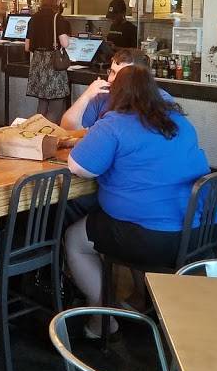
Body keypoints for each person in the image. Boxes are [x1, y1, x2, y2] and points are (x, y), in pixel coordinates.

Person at [65, 65, 209, 337]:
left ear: (116, 94)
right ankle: (140, 302)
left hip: (152, 238)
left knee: (75, 239)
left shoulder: (114, 124)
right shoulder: (179, 121)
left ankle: (103, 320)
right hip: (198, 232)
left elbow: (78, 167)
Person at [61, 48, 172, 131]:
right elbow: (67, 129)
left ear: (140, 79)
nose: (110, 79)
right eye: (112, 72)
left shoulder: (160, 99)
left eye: (121, 75)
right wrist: (86, 96)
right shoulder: (103, 95)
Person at [25, 0, 71, 122]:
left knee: (42, 103)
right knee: (56, 105)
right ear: (58, 0)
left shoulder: (34, 18)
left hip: (38, 64)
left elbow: (27, 46)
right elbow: (65, 43)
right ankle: (49, 134)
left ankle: (37, 132)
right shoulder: (57, 18)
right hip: (52, 64)